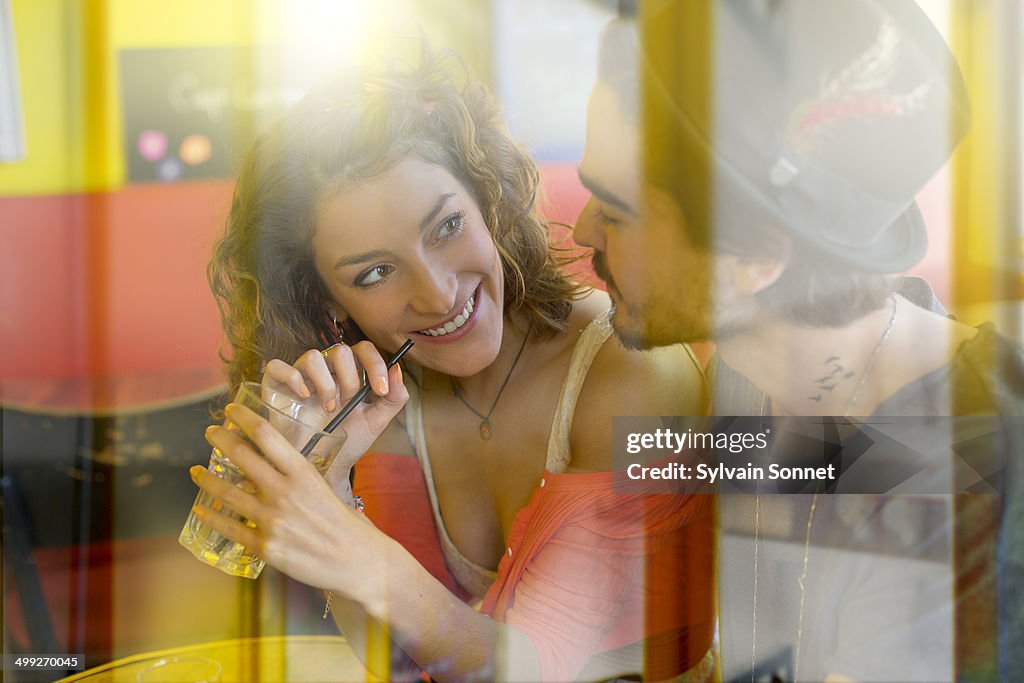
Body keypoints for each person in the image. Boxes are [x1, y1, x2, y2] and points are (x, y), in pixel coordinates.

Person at [189, 42, 716, 682]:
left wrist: (347, 548)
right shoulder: (393, 393)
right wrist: (327, 481)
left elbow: (535, 670)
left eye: (445, 227)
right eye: (377, 271)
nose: (438, 293)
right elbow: (402, 663)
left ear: (486, 197)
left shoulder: (632, 372)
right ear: (326, 300)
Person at [573, 1, 1022, 681]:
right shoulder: (749, 370)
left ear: (756, 258)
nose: (581, 233)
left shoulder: (962, 490)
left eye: (616, 210)